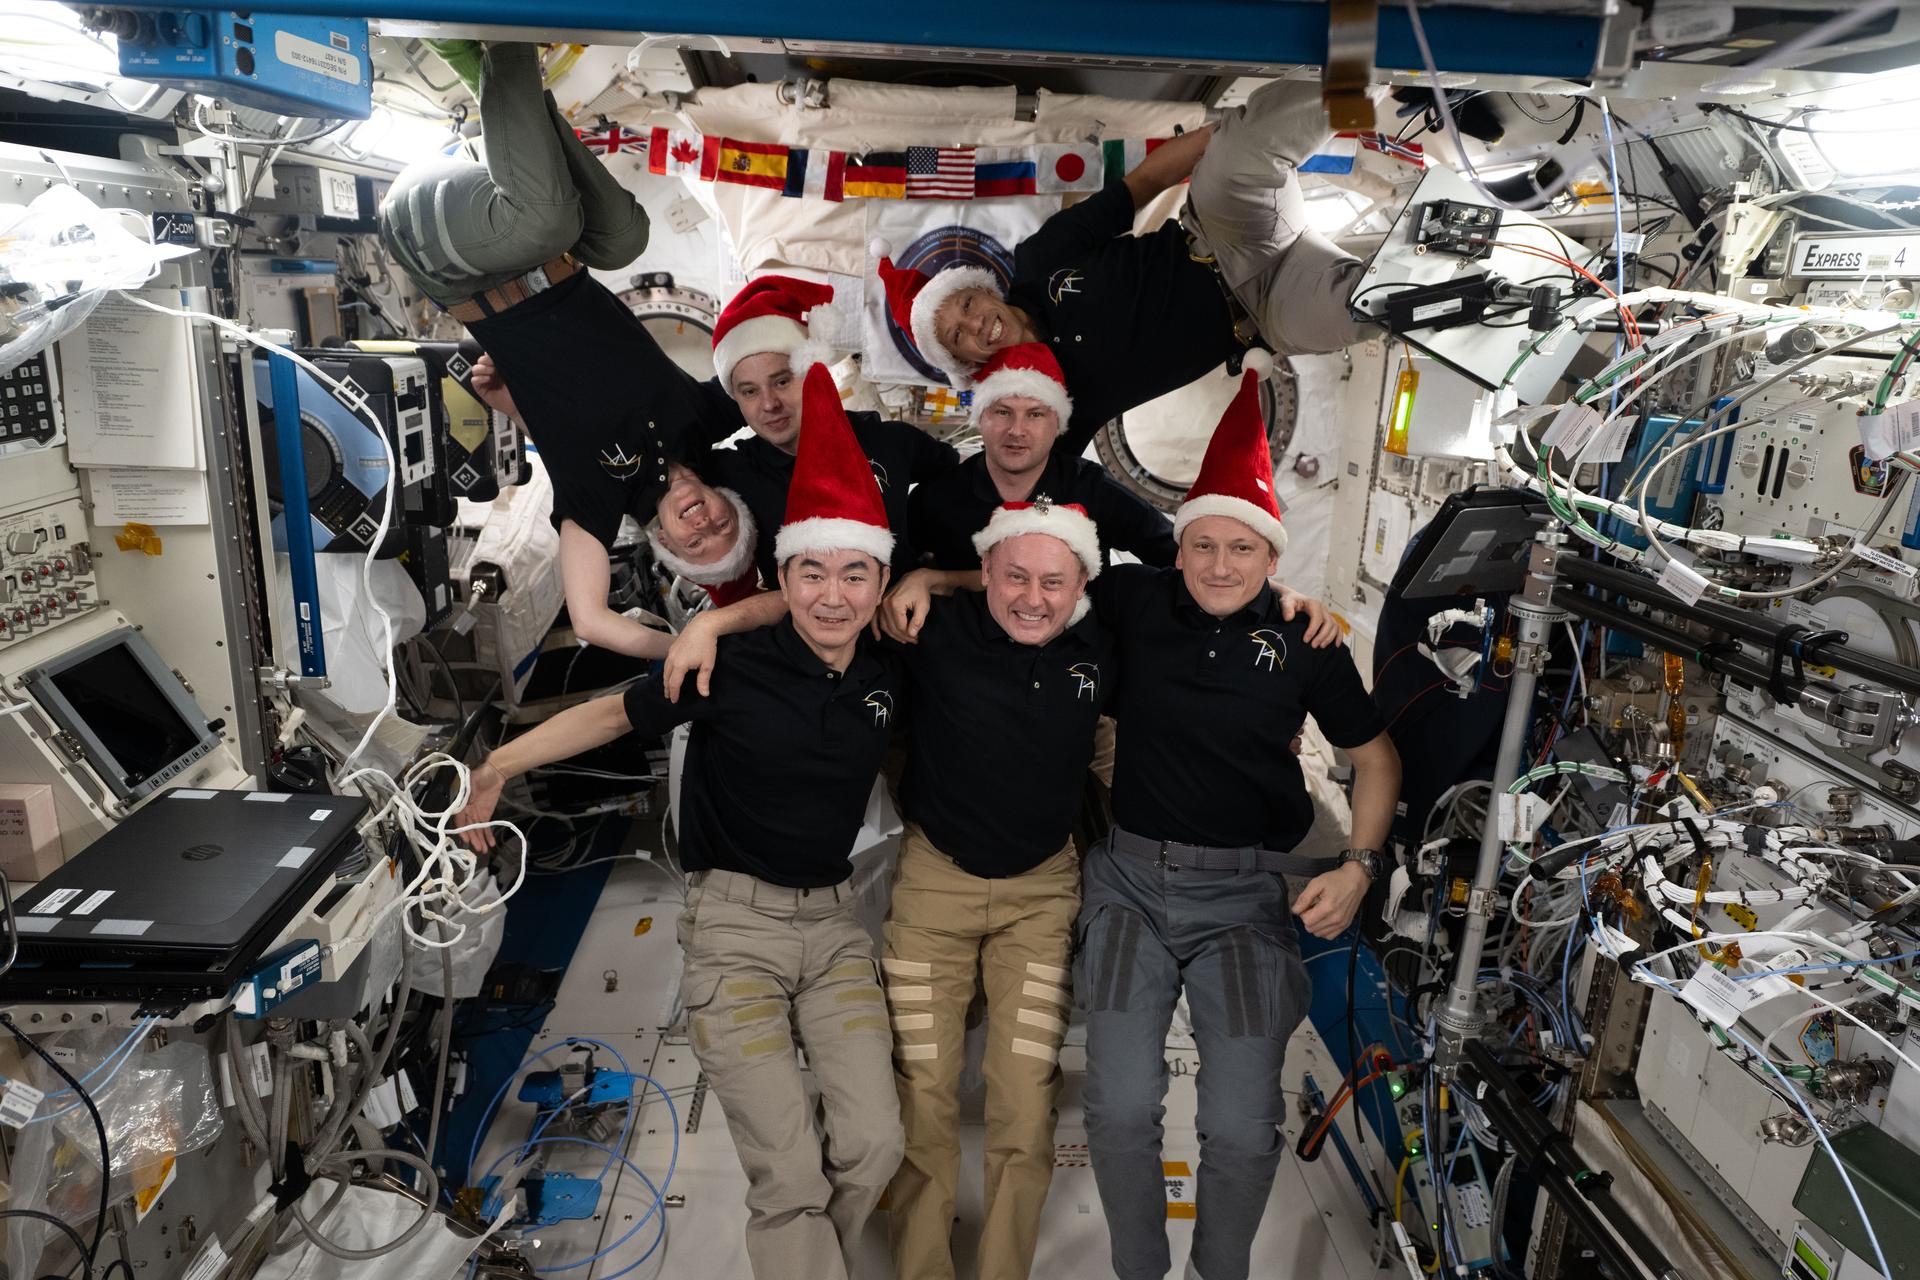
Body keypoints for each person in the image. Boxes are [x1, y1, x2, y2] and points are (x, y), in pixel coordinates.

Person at [455, 359, 905, 1280]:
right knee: (787, 1172)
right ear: (782, 574)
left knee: (874, 1148)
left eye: (854, 574)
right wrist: (497, 764)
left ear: (880, 578)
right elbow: (616, 711)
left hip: (836, 925)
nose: (831, 594)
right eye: (811, 573)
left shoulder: (892, 673)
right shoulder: (730, 664)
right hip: (734, 929)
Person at [1077, 356, 1401, 1280]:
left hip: (1247, 903)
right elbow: (1035, 588)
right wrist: (933, 584)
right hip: (1131, 889)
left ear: (1273, 550)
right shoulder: (1133, 602)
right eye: (1203, 546)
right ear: (1176, 548)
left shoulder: (1305, 638)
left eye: (1243, 549)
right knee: (1120, 1105)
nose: (1221, 565)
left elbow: (1376, 759)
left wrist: (1361, 866)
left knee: (1239, 1122)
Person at [378, 40, 744, 656]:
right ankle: (489, 72)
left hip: (447, 255)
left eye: (697, 548)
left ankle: (507, 40)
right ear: (728, 502)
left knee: (552, 223)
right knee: (625, 237)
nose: (705, 526)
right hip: (516, 236)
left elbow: (592, 620)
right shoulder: (700, 423)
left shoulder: (596, 498)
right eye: (724, 527)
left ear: (665, 545)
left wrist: (693, 639)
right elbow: (782, 393)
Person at [873, 81, 1372, 457]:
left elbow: (1144, 182)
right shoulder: (1044, 405)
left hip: (1224, 229)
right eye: (958, 337)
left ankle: (1376, 60)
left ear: (981, 290)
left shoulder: (1039, 258)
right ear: (969, 363)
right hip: (1268, 312)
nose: (974, 323)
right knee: (1370, 308)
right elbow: (1032, 483)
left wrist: (1221, 139)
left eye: (965, 306)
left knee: (1245, 144)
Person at [880, 499, 1108, 1280]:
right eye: (1015, 576)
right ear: (984, 574)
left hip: (1041, 898)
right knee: (925, 1088)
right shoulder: (931, 630)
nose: (1033, 598)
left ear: (1082, 582)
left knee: (1022, 1092)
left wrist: (1293, 603)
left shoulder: (1103, 642)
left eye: (1053, 580)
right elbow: (821, 603)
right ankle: (921, 1268)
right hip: (933, 890)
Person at [883, 343, 1174, 643]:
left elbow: (1172, 552)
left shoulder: (1092, 489)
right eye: (1003, 412)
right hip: (966, 661)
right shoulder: (939, 497)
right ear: (980, 418)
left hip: (1077, 661)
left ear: (1058, 424)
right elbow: (891, 572)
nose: (1017, 430)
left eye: (1035, 414)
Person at [701, 275, 962, 588]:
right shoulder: (733, 473)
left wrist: (931, 570)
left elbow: (962, 478)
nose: (769, 403)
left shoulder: (887, 441)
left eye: (782, 381)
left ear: (814, 373)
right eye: (749, 392)